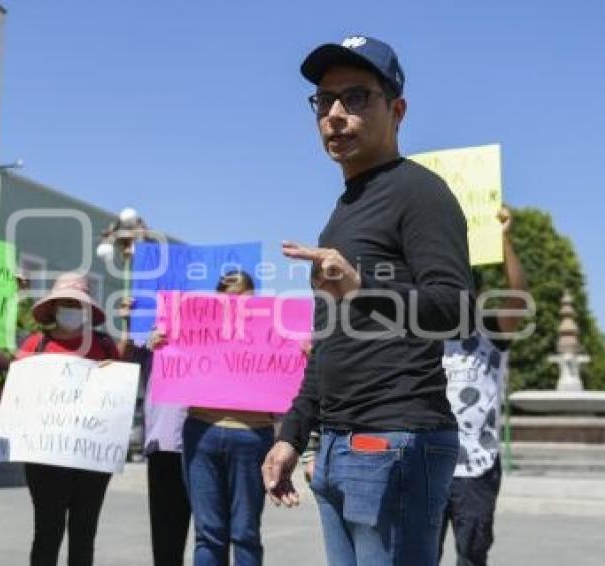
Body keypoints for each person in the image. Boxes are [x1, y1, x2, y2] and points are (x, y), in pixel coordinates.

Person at [262, 35, 475, 565]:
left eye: (356, 97)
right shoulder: (344, 210)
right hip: (337, 445)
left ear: (397, 109)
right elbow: (329, 343)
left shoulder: (419, 192)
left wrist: (361, 287)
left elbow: (457, 310)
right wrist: (293, 433)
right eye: (324, 100)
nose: (335, 114)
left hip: (393, 438)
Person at [153, 271, 274, 566]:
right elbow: (172, 363)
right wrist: (161, 343)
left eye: (242, 294)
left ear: (253, 297)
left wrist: (302, 355)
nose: (234, 301)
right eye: (226, 294)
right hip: (202, 433)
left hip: (251, 435)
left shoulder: (271, 327)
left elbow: (290, 380)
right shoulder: (197, 325)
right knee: (208, 533)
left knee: (245, 533)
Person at [17, 272, 127, 566]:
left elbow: (118, 398)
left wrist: (111, 375)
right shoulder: (34, 345)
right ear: (53, 307)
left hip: (91, 457)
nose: (70, 308)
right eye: (65, 302)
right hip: (45, 457)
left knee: (84, 533)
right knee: (47, 532)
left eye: (77, 303)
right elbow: (15, 395)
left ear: (88, 309)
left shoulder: (104, 346)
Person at [439, 207, 528, 565]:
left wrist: (504, 238)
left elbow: (518, 294)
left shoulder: (492, 329)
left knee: (472, 557)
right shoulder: (420, 333)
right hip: (428, 463)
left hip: (477, 466)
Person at [119, 294, 191, 566]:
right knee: (166, 535)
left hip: (208, 442)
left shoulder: (219, 334)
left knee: (213, 534)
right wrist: (128, 323)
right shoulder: (151, 335)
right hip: (164, 444)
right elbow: (122, 363)